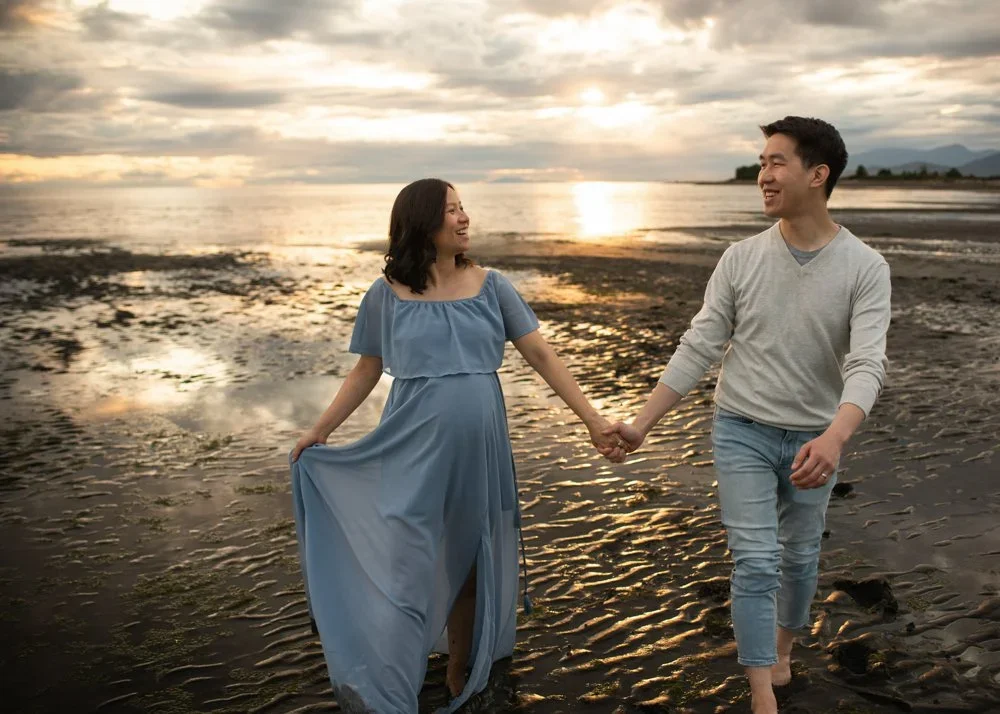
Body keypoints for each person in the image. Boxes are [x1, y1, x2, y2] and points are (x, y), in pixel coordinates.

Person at [289, 178, 627, 713]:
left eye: (464, 207)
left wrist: (591, 419)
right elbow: (367, 368)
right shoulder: (385, 293)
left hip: (480, 441)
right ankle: (394, 659)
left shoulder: (492, 285)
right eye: (453, 210)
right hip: (411, 439)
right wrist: (320, 430)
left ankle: (458, 661)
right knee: (409, 553)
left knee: (468, 553)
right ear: (423, 222)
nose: (465, 218)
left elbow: (540, 354)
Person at [602, 117, 891, 714]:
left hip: (816, 439)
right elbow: (700, 345)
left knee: (802, 556)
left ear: (818, 175)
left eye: (776, 163)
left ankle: (782, 649)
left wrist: (836, 437)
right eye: (761, 163)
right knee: (757, 558)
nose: (763, 175)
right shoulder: (739, 259)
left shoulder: (866, 267)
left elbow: (867, 364)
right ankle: (763, 693)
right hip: (742, 431)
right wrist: (641, 425)